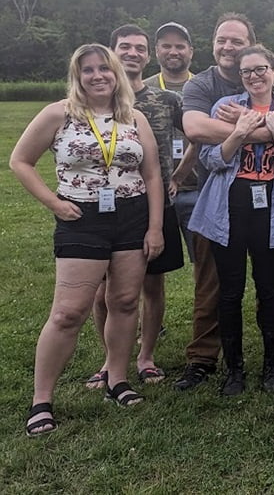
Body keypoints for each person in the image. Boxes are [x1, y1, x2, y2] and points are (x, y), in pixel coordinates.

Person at [12, 44, 164, 436]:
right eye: (88, 70)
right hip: (81, 217)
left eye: (104, 69)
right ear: (77, 77)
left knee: (126, 301)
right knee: (68, 312)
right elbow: (20, 161)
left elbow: (151, 176)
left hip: (132, 217)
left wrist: (155, 227)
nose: (98, 76)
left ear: (116, 74)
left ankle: (117, 379)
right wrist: (54, 204)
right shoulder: (59, 114)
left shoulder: (135, 118)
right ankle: (41, 400)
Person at [176, 13, 274, 391]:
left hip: (269, 211)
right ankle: (232, 368)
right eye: (247, 72)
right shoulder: (221, 102)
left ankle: (273, 363)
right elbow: (209, 155)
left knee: (271, 286)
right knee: (227, 289)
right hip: (226, 211)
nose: (254, 76)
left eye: (261, 70)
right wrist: (245, 131)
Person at [87, 26, 185, 388]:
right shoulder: (92, 103)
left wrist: (179, 173)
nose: (132, 53)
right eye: (124, 47)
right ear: (111, 52)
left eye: (139, 48)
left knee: (151, 285)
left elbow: (194, 135)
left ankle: (145, 356)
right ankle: (111, 360)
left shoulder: (166, 101)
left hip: (154, 205)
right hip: (103, 209)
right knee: (101, 291)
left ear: (149, 56)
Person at [145, 22, 199, 262]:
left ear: (191, 51)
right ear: (156, 51)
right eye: (166, 46)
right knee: (152, 268)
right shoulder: (143, 89)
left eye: (180, 46)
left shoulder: (203, 86)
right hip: (154, 193)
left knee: (206, 264)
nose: (173, 51)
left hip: (199, 190)